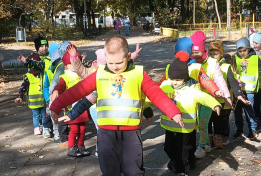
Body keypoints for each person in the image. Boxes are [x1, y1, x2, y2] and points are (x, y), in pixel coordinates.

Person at [50, 35, 183, 176]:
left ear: (128, 56)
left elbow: (156, 94)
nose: (114, 67)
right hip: (106, 134)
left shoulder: (138, 74)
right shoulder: (99, 74)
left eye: (119, 63)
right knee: (109, 170)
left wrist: (173, 111)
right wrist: (56, 106)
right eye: (110, 63)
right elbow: (77, 91)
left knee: (134, 171)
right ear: (106, 57)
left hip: (131, 133)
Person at [157, 58, 221, 175]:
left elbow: (204, 97)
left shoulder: (192, 89)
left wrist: (215, 104)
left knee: (183, 151)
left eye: (178, 79)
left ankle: (183, 170)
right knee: (168, 148)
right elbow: (154, 95)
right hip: (170, 125)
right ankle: (177, 162)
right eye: (172, 79)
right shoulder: (165, 86)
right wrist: (145, 106)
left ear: (185, 78)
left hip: (185, 126)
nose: (174, 82)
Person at [176, 31, 232, 158]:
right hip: (192, 100)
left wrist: (226, 96)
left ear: (203, 51)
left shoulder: (212, 63)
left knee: (202, 123)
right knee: (198, 124)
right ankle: (206, 143)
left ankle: (201, 147)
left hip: (208, 99)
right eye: (193, 52)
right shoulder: (189, 62)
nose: (195, 55)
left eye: (197, 52)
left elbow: (219, 81)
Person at [207, 40, 251, 147]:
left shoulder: (226, 66)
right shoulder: (206, 65)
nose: (213, 56)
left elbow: (232, 82)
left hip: (224, 99)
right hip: (209, 99)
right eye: (211, 54)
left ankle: (223, 136)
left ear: (221, 54)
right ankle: (209, 139)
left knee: (222, 120)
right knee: (209, 119)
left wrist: (238, 95)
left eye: (216, 54)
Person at [52, 50, 90, 157]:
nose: (73, 66)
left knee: (82, 129)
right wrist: (56, 91)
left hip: (82, 106)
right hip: (72, 107)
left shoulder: (82, 74)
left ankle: (81, 146)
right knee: (74, 129)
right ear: (66, 66)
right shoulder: (65, 77)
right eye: (70, 64)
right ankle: (71, 148)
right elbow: (60, 86)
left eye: (75, 63)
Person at [14, 53, 46, 135]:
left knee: (43, 115)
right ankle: (37, 128)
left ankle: (43, 127)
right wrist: (20, 96)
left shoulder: (42, 75)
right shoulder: (28, 76)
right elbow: (23, 87)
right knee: (36, 115)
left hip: (42, 100)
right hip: (34, 102)